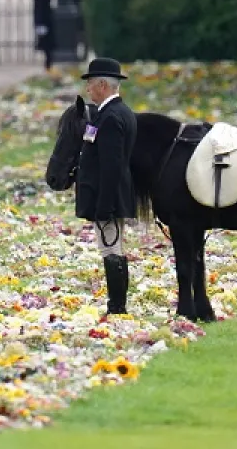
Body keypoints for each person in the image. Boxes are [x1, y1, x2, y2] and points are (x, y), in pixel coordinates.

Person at [76, 57, 138, 316]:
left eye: (90, 84)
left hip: (108, 198)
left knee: (110, 249)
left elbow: (111, 166)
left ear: (102, 85)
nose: (88, 90)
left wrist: (104, 206)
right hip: (112, 196)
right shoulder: (118, 112)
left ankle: (117, 306)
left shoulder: (111, 117)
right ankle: (118, 303)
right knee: (115, 248)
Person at [34, 0, 56, 73]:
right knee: (45, 45)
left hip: (44, 19)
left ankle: (48, 66)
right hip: (42, 19)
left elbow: (41, 6)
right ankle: (47, 65)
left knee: (46, 45)